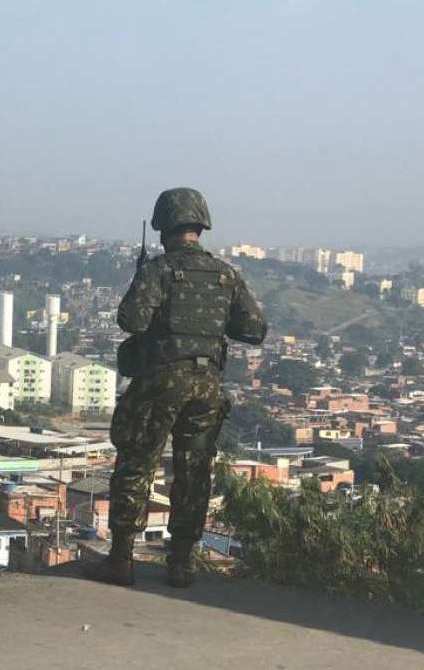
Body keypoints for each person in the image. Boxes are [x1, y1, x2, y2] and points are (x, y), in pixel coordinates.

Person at [85, 187, 267, 588]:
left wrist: (144, 284)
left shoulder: (159, 271)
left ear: (163, 226)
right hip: (206, 386)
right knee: (193, 470)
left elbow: (131, 321)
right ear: (200, 225)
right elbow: (254, 329)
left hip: (161, 380)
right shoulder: (225, 275)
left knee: (137, 463)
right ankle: (181, 563)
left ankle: (121, 560)